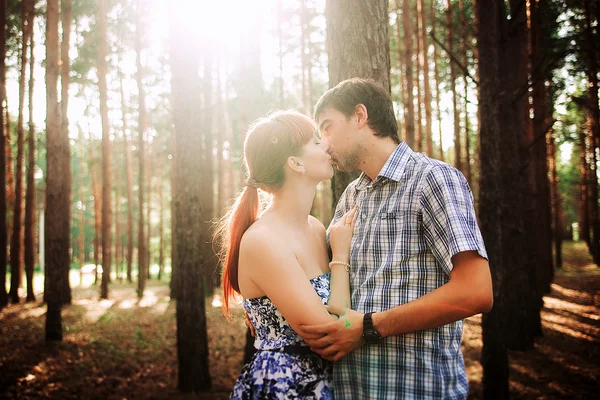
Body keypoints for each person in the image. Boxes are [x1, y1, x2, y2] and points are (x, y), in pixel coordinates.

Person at [294, 78, 494, 399]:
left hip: (419, 389)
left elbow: (476, 292)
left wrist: (369, 327)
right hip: (350, 389)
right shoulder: (350, 196)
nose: (325, 143)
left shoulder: (434, 179)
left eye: (328, 127)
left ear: (360, 116)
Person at [217, 110, 359, 399]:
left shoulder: (317, 228)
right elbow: (332, 334)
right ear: (295, 163)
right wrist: (340, 256)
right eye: (316, 142)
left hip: (329, 384)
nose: (327, 146)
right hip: (287, 387)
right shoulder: (263, 241)